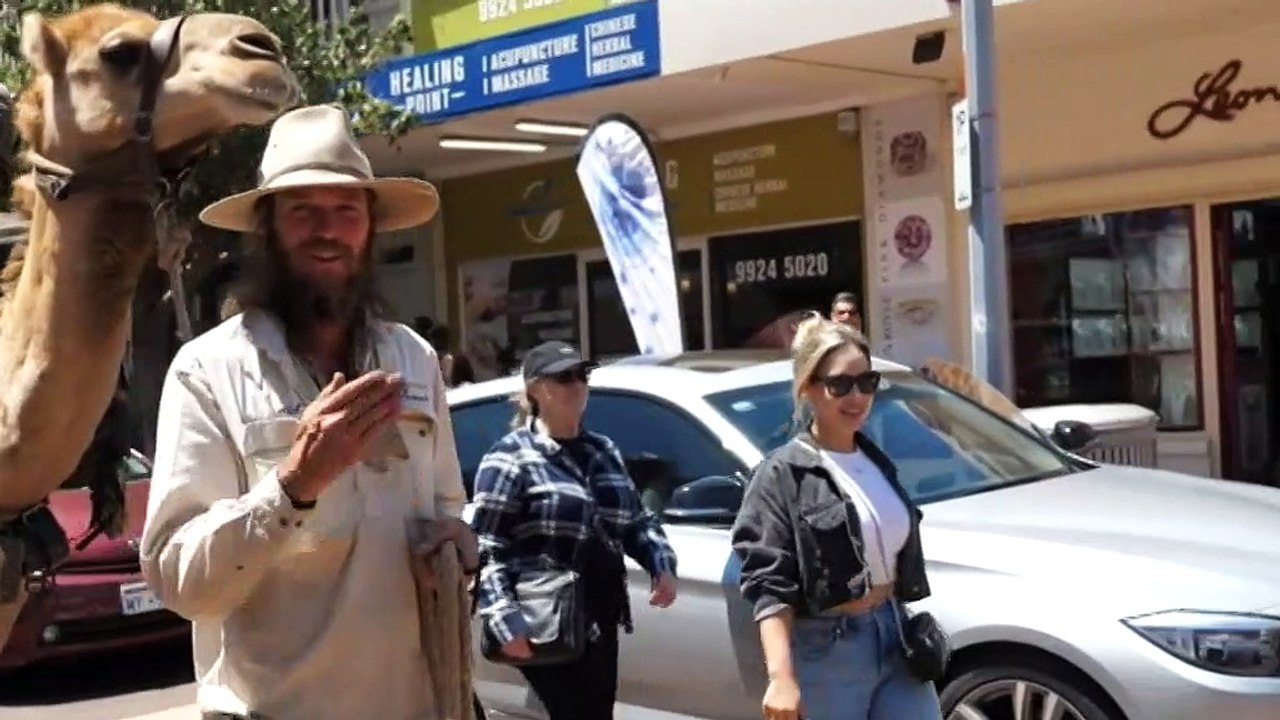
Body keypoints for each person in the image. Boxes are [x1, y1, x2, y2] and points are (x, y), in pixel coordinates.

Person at [139, 105, 474, 720]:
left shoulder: (413, 357)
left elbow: (449, 509)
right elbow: (178, 579)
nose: (329, 230)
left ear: (371, 228)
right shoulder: (207, 370)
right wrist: (294, 486)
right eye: (304, 212)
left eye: (347, 210)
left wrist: (458, 547)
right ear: (267, 230)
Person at [730, 312, 941, 720]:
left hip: (894, 632)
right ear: (808, 387)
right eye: (840, 384)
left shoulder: (875, 460)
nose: (857, 397)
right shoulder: (782, 473)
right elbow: (767, 583)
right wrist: (781, 677)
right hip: (827, 648)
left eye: (867, 382)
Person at [470, 341, 679, 720]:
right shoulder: (510, 457)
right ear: (534, 389)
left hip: (600, 612)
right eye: (562, 377)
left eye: (581, 375)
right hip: (542, 613)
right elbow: (486, 545)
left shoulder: (603, 450)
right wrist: (504, 618)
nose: (576, 385)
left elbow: (635, 520)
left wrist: (659, 562)